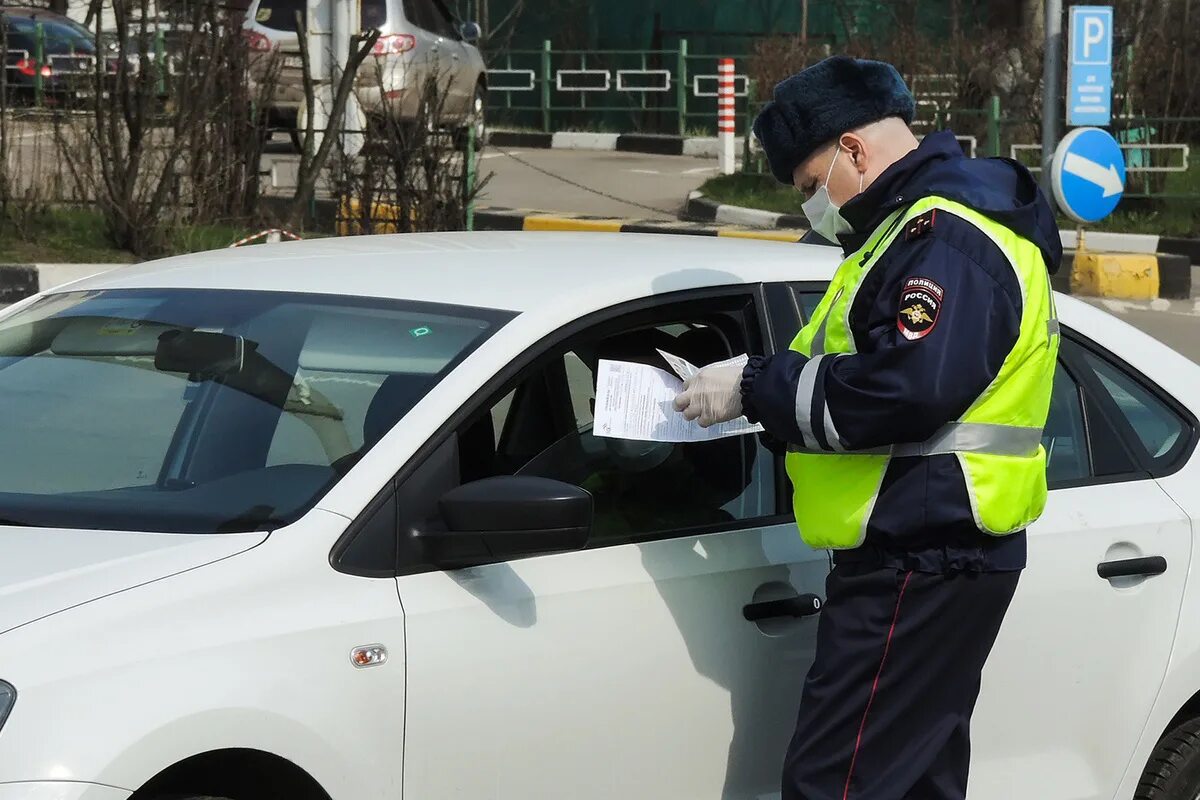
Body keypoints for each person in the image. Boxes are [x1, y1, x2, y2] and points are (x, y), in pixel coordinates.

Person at [672, 55, 1062, 800]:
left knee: (836, 784)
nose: (811, 204)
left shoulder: (941, 239)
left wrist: (754, 385)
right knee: (914, 781)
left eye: (809, 184)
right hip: (933, 549)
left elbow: (905, 390)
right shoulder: (905, 234)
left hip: (922, 554)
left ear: (852, 148)